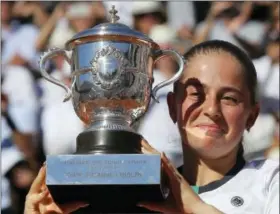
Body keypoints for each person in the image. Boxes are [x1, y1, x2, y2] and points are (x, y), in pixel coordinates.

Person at [24, 40, 279, 214]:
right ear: (172, 107)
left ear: (252, 116)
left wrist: (194, 206)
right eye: (195, 94)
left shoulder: (269, 181)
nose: (211, 110)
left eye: (229, 98)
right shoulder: (141, 193)